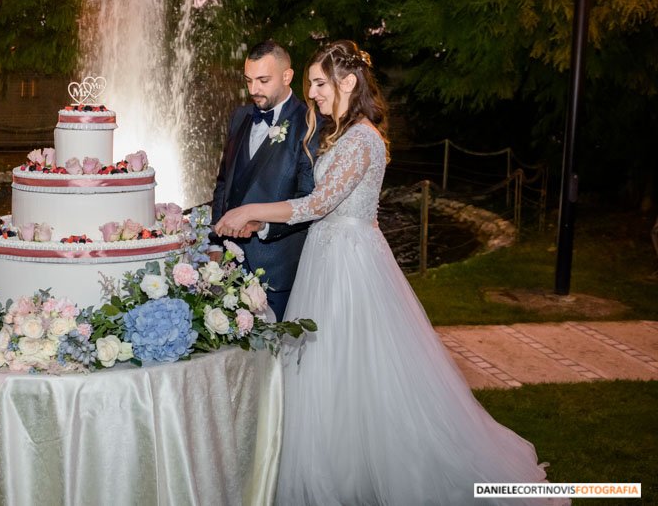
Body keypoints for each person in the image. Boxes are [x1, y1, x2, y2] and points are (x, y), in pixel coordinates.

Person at [215, 40, 558, 505]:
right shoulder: (341, 132)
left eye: (320, 84)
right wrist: (259, 220)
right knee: (323, 373)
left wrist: (253, 207)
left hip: (351, 266)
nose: (313, 93)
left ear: (348, 82)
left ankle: (373, 473)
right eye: (312, 83)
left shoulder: (361, 138)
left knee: (357, 370)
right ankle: (340, 468)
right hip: (326, 256)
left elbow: (317, 203)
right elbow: (317, 208)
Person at [209, 40, 318, 321]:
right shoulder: (240, 116)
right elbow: (223, 182)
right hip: (230, 270)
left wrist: (264, 224)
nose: (254, 90)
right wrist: (215, 245)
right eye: (249, 80)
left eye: (263, 80)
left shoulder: (311, 123)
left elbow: (310, 201)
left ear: (287, 76)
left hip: (278, 272)